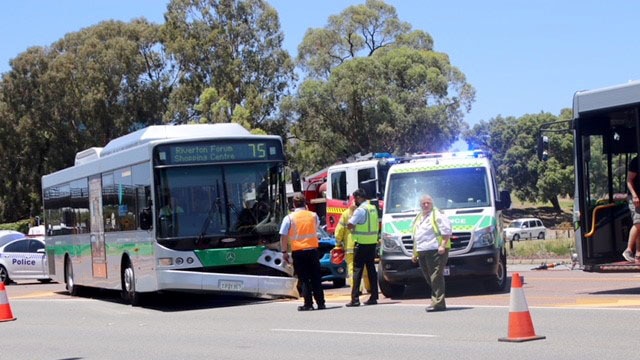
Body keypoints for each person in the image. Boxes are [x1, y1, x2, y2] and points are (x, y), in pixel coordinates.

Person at [279, 193, 326, 311]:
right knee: (316, 277)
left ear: (293, 204)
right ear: (305, 203)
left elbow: (283, 236)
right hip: (313, 250)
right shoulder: (313, 215)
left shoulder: (289, 218)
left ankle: (308, 304)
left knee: (304, 279)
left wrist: (284, 251)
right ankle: (321, 303)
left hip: (299, 252)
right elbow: (316, 228)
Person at [411, 194, 452, 312]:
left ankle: (438, 303)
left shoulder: (437, 214)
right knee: (429, 277)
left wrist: (443, 245)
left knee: (435, 276)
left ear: (432, 203)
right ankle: (437, 300)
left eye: (428, 203)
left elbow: (447, 231)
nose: (425, 205)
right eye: (423, 203)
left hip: (435, 250)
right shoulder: (419, 217)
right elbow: (416, 236)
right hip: (422, 250)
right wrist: (415, 253)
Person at [345, 188, 379, 307]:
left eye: (355, 199)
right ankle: (374, 296)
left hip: (361, 244)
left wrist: (351, 227)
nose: (355, 201)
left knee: (357, 270)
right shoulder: (372, 208)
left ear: (359, 198)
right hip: (372, 243)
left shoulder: (360, 210)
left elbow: (350, 224)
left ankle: (355, 299)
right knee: (371, 270)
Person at [334, 201, 371, 293]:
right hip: (363, 243)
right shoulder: (365, 213)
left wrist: (338, 243)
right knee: (365, 268)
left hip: (350, 247)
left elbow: (339, 231)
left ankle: (357, 289)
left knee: (352, 269)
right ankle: (369, 287)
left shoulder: (346, 214)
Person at [622, 155, 640, 263]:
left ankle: (638, 253)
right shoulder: (636, 161)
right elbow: (629, 180)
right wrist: (634, 195)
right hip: (635, 197)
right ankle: (628, 250)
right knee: (638, 223)